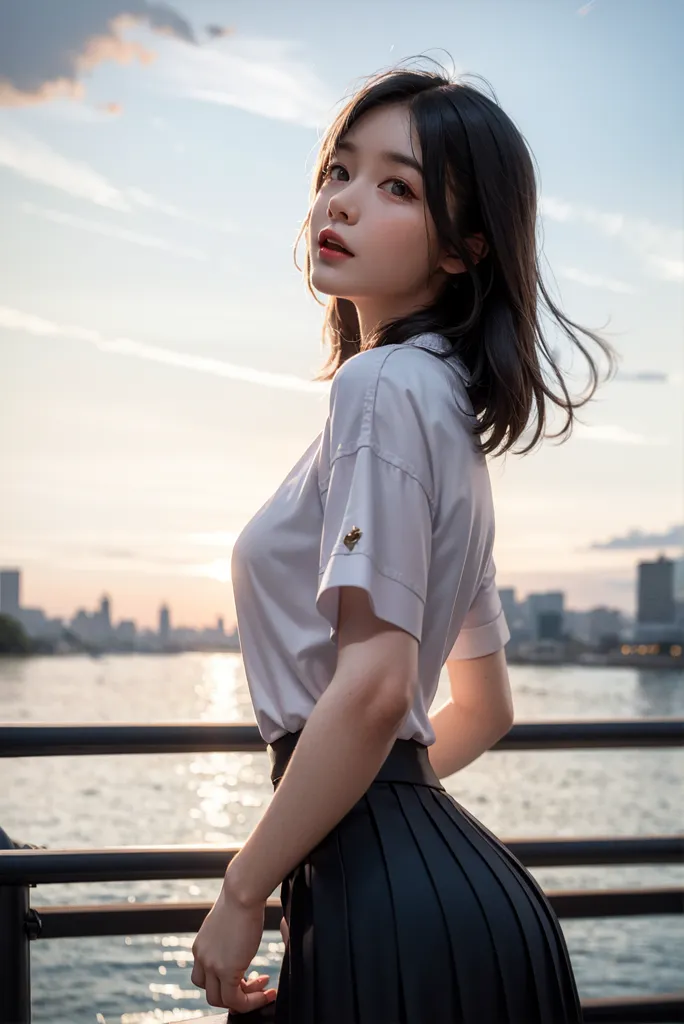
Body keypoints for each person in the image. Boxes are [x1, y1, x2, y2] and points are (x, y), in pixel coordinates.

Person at [190, 58, 617, 1023]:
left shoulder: (379, 391)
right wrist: (380, 808)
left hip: (384, 907)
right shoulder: (445, 416)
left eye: (397, 186)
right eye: (338, 170)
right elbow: (486, 704)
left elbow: (379, 688)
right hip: (467, 898)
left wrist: (246, 884)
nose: (341, 201)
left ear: (464, 249)